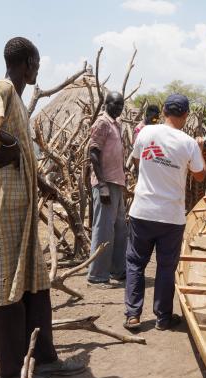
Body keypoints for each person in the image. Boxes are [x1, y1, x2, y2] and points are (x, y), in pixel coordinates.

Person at [0, 37, 84, 378]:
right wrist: (7, 143)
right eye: (36, 64)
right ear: (27, 63)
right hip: (4, 207)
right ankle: (9, 371)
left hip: (20, 207)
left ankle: (44, 358)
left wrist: (41, 181)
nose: (37, 71)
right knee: (8, 285)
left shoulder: (19, 104)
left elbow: (22, 151)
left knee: (33, 282)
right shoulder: (3, 88)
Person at [123, 94, 206, 331]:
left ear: (164, 112)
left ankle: (133, 315)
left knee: (136, 263)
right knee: (166, 267)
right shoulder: (188, 143)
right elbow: (199, 175)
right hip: (171, 215)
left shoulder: (146, 133)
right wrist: (198, 150)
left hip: (142, 211)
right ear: (185, 115)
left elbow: (138, 162)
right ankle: (163, 317)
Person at [87, 91, 127, 288]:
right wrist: (101, 184)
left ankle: (118, 270)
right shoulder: (102, 122)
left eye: (121, 105)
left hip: (117, 182)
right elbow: (93, 153)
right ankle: (97, 274)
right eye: (116, 104)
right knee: (103, 229)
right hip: (105, 183)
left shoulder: (115, 123)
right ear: (106, 103)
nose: (119, 108)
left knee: (120, 228)